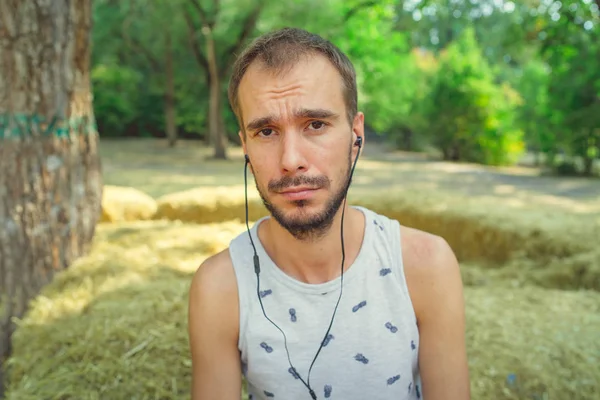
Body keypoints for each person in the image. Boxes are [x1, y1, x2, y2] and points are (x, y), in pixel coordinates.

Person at [188, 27, 470, 400]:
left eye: (315, 125)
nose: (291, 161)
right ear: (245, 147)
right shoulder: (220, 288)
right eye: (266, 132)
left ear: (356, 137)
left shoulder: (426, 266)